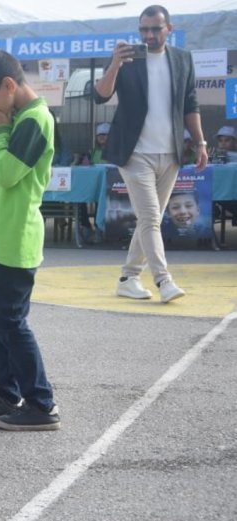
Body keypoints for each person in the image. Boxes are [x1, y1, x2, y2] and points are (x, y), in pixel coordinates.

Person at [0, 49, 61, 431]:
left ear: (8, 85)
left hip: (16, 239)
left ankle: (42, 403)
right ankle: (7, 393)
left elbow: (5, 175)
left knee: (12, 323)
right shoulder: (15, 118)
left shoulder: (33, 120)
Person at [94, 4, 207, 303]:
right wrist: (115, 64)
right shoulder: (127, 58)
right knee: (151, 218)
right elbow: (100, 95)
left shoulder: (182, 59)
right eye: (144, 29)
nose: (149, 35)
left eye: (156, 29)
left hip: (170, 153)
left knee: (149, 220)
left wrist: (201, 142)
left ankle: (128, 277)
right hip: (135, 153)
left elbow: (191, 104)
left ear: (169, 28)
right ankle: (163, 280)